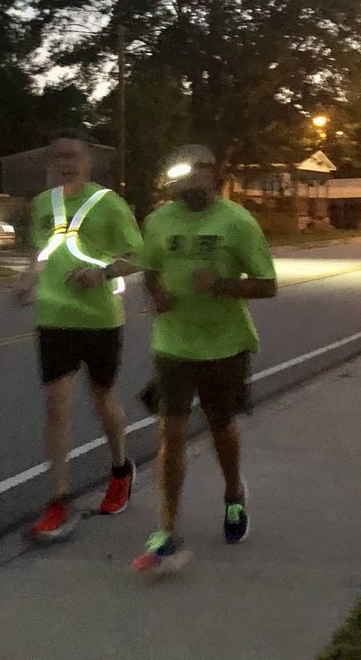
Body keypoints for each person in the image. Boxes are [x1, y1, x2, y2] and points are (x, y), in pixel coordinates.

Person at [131, 144, 278, 573]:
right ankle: (168, 529)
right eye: (184, 171)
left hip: (225, 343)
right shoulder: (158, 220)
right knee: (170, 434)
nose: (192, 178)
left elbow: (268, 284)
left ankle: (234, 495)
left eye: (201, 170)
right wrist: (156, 293)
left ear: (215, 176)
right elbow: (150, 268)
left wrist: (222, 284)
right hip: (173, 343)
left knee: (221, 426)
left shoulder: (237, 222)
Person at [15, 132, 142, 540]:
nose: (66, 162)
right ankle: (59, 501)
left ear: (88, 163)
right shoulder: (42, 205)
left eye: (73, 156)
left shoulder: (109, 204)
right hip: (54, 317)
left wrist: (102, 272)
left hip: (101, 319)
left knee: (103, 399)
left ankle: (121, 469)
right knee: (56, 406)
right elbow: (40, 251)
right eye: (58, 157)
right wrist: (27, 275)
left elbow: (140, 256)